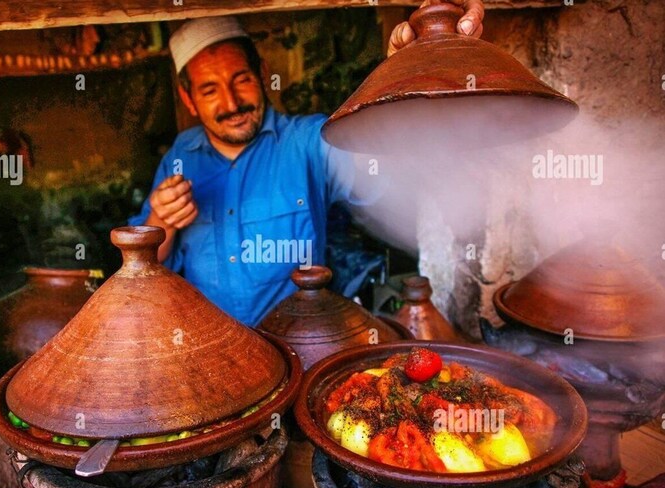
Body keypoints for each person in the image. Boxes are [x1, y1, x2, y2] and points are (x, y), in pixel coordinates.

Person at [129, 2, 484, 325]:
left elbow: (388, 172)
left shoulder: (310, 142)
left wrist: (400, 81)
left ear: (263, 73)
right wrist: (161, 221)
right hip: (207, 353)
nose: (232, 102)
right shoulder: (180, 155)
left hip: (298, 349)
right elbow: (147, 266)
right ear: (188, 99)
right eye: (209, 90)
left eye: (242, 80)